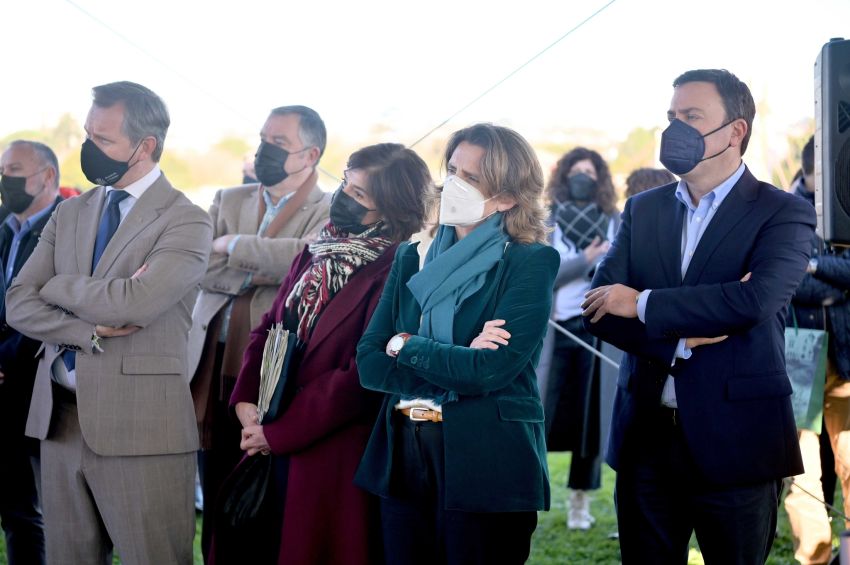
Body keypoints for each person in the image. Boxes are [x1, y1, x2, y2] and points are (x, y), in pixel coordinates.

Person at [581, 69, 815, 563]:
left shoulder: (783, 212)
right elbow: (598, 308)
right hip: (646, 440)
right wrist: (679, 340)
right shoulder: (642, 210)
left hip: (739, 444)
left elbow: (754, 303)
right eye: (671, 118)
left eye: (691, 117)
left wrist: (641, 302)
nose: (674, 130)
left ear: (736, 131)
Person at [6, 81, 213, 565]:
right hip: (59, 422)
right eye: (87, 134)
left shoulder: (188, 219)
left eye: (103, 140)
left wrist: (58, 285)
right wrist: (85, 330)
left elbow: (133, 305)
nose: (87, 148)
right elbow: (18, 302)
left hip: (141, 429)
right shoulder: (71, 210)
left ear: (146, 146)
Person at [213, 143, 432, 565]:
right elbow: (271, 326)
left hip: (331, 451)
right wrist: (246, 399)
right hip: (268, 428)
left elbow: (360, 377)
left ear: (391, 209)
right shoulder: (318, 248)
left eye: (360, 196)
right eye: (345, 186)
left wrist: (280, 432)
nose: (344, 200)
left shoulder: (398, 269)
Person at [355, 123, 559, 564]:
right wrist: (457, 355)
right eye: (452, 170)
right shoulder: (414, 254)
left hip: (486, 459)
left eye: (471, 178)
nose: (453, 185)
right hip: (405, 449)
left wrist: (405, 345)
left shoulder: (530, 261)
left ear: (506, 197)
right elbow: (369, 362)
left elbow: (490, 371)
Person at [187, 104, 331, 560]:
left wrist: (232, 246)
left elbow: (307, 261)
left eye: (279, 143)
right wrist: (264, 267)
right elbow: (200, 266)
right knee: (213, 482)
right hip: (212, 360)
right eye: (264, 138)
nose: (264, 149)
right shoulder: (229, 198)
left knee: (261, 489)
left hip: (271, 368)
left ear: (310, 155)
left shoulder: (329, 207)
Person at [540, 147, 619, 530]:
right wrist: (586, 259)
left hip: (595, 329)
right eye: (577, 171)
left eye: (590, 172)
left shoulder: (614, 221)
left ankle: (579, 502)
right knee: (542, 412)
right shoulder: (547, 222)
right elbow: (544, 275)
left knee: (589, 419)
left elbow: (620, 273)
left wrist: (600, 266)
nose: (583, 178)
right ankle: (531, 495)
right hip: (554, 330)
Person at [783, 135, 850, 565]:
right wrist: (835, 279)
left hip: (846, 353)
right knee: (802, 472)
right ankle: (814, 557)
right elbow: (788, 283)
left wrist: (809, 264)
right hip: (798, 353)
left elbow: (803, 274)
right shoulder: (782, 212)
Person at [0, 140, 64, 565]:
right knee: (15, 506)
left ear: (47, 177)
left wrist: (5, 359)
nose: (6, 180)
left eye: (15, 170)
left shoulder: (70, 226)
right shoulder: (5, 223)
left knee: (57, 512)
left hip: (45, 385)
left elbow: (57, 304)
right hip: (3, 390)